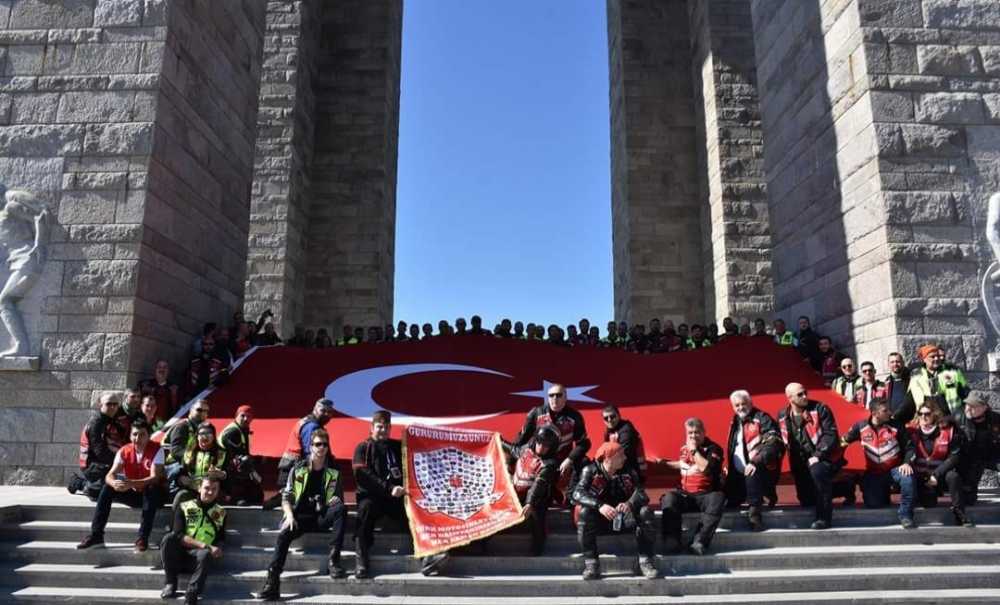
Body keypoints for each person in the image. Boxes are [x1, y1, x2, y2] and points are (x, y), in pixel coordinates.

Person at [253, 428, 346, 600]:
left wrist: (329, 502)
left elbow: (338, 499)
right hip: (299, 517)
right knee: (283, 535)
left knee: (341, 509)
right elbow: (286, 497)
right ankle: (272, 583)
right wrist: (289, 516)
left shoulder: (333, 471)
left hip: (321, 516)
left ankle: (334, 561)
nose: (322, 448)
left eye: (325, 445)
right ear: (311, 446)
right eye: (318, 444)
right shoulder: (298, 469)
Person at [352, 411, 447, 577]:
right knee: (364, 513)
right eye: (379, 427)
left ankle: (427, 558)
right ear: (372, 427)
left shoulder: (396, 447)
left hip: (394, 499)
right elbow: (361, 473)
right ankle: (361, 562)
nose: (383, 430)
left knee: (415, 511)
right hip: (371, 497)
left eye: (386, 427)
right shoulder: (363, 447)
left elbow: (419, 450)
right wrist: (389, 488)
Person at [76, 419, 165, 552]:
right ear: (130, 436)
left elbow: (155, 477)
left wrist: (131, 483)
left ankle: (142, 538)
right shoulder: (124, 451)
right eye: (135, 434)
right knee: (107, 487)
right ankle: (96, 535)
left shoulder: (157, 449)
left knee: (151, 488)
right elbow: (109, 475)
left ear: (148, 436)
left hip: (153, 496)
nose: (138, 438)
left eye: (142, 435)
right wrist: (114, 483)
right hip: (133, 492)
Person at [572, 442, 657, 580]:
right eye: (620, 455)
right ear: (608, 458)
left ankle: (645, 561)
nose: (624, 458)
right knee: (584, 512)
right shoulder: (590, 470)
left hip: (624, 519)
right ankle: (591, 564)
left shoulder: (628, 470)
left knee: (645, 511)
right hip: (600, 522)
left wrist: (629, 503)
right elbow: (577, 493)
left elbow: (642, 493)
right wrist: (600, 506)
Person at [777, 382, 845, 529]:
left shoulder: (821, 409)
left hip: (823, 457)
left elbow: (831, 435)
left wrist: (818, 455)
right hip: (799, 463)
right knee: (807, 499)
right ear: (790, 398)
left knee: (818, 472)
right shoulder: (783, 415)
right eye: (800, 394)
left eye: (805, 392)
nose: (805, 396)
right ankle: (845, 488)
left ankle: (823, 518)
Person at [840, 400, 916, 528]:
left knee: (907, 478)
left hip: (895, 471)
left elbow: (910, 448)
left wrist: (907, 463)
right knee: (873, 503)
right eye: (885, 411)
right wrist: (838, 462)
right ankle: (881, 492)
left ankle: (906, 515)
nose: (890, 413)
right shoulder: (860, 427)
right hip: (873, 473)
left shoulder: (897, 426)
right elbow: (842, 443)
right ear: (874, 413)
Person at [512, 383, 590, 504]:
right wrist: (520, 455)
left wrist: (569, 459)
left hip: (562, 459)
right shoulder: (536, 413)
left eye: (559, 395)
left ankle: (573, 498)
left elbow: (584, 443)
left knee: (584, 461)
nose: (555, 399)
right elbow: (521, 439)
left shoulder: (575, 416)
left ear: (565, 398)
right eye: (551, 395)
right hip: (540, 459)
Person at [659, 418, 726, 554]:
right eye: (690, 433)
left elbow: (706, 469)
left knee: (718, 498)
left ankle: (699, 542)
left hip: (705, 495)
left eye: (697, 432)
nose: (693, 436)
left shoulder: (714, 449)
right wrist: (663, 463)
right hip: (685, 494)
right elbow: (682, 464)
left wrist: (694, 451)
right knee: (668, 497)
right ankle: (672, 540)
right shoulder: (684, 449)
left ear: (704, 432)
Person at [160, 477, 227, 605]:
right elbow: (178, 535)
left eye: (214, 489)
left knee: (205, 554)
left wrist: (219, 548)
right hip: (178, 556)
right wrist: (205, 545)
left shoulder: (221, 513)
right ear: (199, 488)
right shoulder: (184, 507)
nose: (210, 492)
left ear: (218, 491)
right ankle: (170, 583)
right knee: (168, 538)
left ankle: (192, 593)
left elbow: (221, 538)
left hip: (199, 559)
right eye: (207, 488)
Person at [0, 186, 49, 357]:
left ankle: (21, 346)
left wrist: (39, 244)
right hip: (17, 262)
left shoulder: (10, 207)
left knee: (5, 301)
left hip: (26, 261)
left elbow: (40, 217)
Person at [724, 390, 783, 531]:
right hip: (738, 473)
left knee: (752, 473)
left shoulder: (763, 418)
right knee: (729, 500)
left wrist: (755, 461)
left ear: (750, 403)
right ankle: (761, 494)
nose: (740, 408)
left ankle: (755, 517)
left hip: (760, 469)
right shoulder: (735, 420)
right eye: (736, 405)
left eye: (743, 404)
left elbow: (774, 443)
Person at [265, 398, 335, 510]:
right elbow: (312, 454)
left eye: (330, 412)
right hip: (294, 472)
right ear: (315, 409)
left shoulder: (308, 422)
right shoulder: (311, 426)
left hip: (291, 470)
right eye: (323, 410)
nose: (326, 414)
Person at [909, 402, 971, 526]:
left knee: (953, 476)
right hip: (922, 477)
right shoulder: (912, 431)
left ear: (935, 415)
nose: (923, 417)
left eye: (927, 414)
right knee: (929, 503)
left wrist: (936, 475)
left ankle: (960, 512)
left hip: (940, 475)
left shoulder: (948, 431)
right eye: (920, 414)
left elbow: (954, 457)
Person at [505, 425, 561, 555]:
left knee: (537, 514)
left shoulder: (549, 464)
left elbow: (538, 486)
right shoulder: (526, 450)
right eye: (539, 442)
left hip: (537, 498)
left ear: (552, 447)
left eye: (546, 445)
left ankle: (538, 544)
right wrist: (497, 439)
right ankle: (481, 542)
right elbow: (512, 449)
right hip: (516, 493)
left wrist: (529, 503)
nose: (541, 447)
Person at [69, 393, 127, 500]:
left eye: (115, 404)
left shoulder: (111, 420)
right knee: (105, 490)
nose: (113, 407)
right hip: (93, 466)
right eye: (109, 404)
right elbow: (100, 452)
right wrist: (120, 463)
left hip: (104, 463)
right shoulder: (96, 423)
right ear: (100, 405)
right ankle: (81, 484)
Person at [953, 392, 1000, 506]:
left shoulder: (995, 419)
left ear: (984, 407)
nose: (968, 408)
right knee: (969, 499)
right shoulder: (958, 417)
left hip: (991, 455)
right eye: (967, 404)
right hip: (968, 459)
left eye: (973, 405)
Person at [172, 422, 227, 506]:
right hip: (193, 489)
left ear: (213, 436)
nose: (205, 437)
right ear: (197, 437)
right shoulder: (189, 452)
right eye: (201, 434)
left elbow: (230, 474)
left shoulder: (222, 453)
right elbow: (182, 471)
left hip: (213, 490)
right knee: (181, 496)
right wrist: (181, 479)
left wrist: (222, 474)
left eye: (208, 433)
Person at [218, 404, 263, 505]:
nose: (246, 418)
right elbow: (238, 456)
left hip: (231, 469)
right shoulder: (233, 431)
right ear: (236, 416)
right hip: (225, 470)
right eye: (242, 416)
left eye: (249, 416)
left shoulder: (242, 430)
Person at [909, 344, 969, 415]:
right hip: (929, 417)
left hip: (954, 415)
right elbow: (909, 399)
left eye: (937, 356)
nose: (936, 359)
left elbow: (966, 392)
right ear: (924, 359)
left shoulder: (952, 372)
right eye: (932, 357)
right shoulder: (916, 376)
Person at [601, 404, 647, 484]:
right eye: (606, 418)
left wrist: (602, 468)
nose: (609, 420)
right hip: (619, 468)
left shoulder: (626, 429)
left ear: (619, 416)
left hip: (632, 472)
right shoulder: (610, 430)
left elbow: (623, 454)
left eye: (612, 416)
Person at [884, 352, 912, 420]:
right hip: (893, 422)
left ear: (903, 362)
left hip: (910, 420)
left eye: (898, 361)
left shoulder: (911, 379)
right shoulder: (887, 382)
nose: (895, 364)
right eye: (892, 362)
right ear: (888, 364)